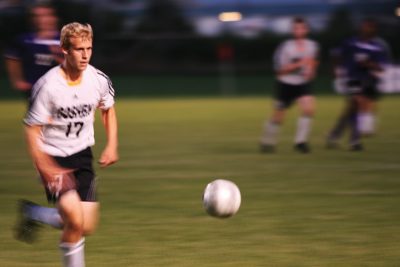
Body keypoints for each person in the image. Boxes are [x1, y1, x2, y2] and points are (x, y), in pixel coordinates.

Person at [15, 22, 118, 267]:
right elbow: (32, 130)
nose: (85, 55)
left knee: (87, 225)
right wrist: (45, 166)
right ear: (64, 49)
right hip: (53, 156)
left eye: (89, 48)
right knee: (73, 218)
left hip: (82, 155)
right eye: (78, 49)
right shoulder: (48, 86)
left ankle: (34, 213)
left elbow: (108, 109)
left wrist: (112, 144)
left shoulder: (97, 79)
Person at [260, 17, 319, 153]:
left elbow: (313, 62)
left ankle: (300, 142)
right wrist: (298, 65)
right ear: (292, 30)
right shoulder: (286, 47)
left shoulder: (312, 45)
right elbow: (279, 71)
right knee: (278, 117)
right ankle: (267, 141)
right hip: (285, 84)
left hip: (302, 84)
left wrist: (310, 72)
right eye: (296, 28)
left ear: (306, 29)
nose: (299, 30)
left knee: (308, 109)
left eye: (302, 27)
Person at [327, 19, 388, 150]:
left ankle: (334, 134)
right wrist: (335, 69)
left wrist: (369, 64)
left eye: (369, 27)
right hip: (351, 78)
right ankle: (355, 141)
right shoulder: (350, 42)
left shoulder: (377, 47)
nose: (366, 29)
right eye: (365, 26)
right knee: (358, 101)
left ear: (373, 30)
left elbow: (381, 67)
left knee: (351, 109)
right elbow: (336, 54)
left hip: (367, 80)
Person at [4, 2, 62, 101]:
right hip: (34, 88)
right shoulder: (24, 40)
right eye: (36, 16)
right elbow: (12, 59)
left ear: (54, 17)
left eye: (46, 15)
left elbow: (80, 65)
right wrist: (17, 80)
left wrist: (59, 56)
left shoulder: (66, 39)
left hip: (63, 87)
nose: (42, 20)